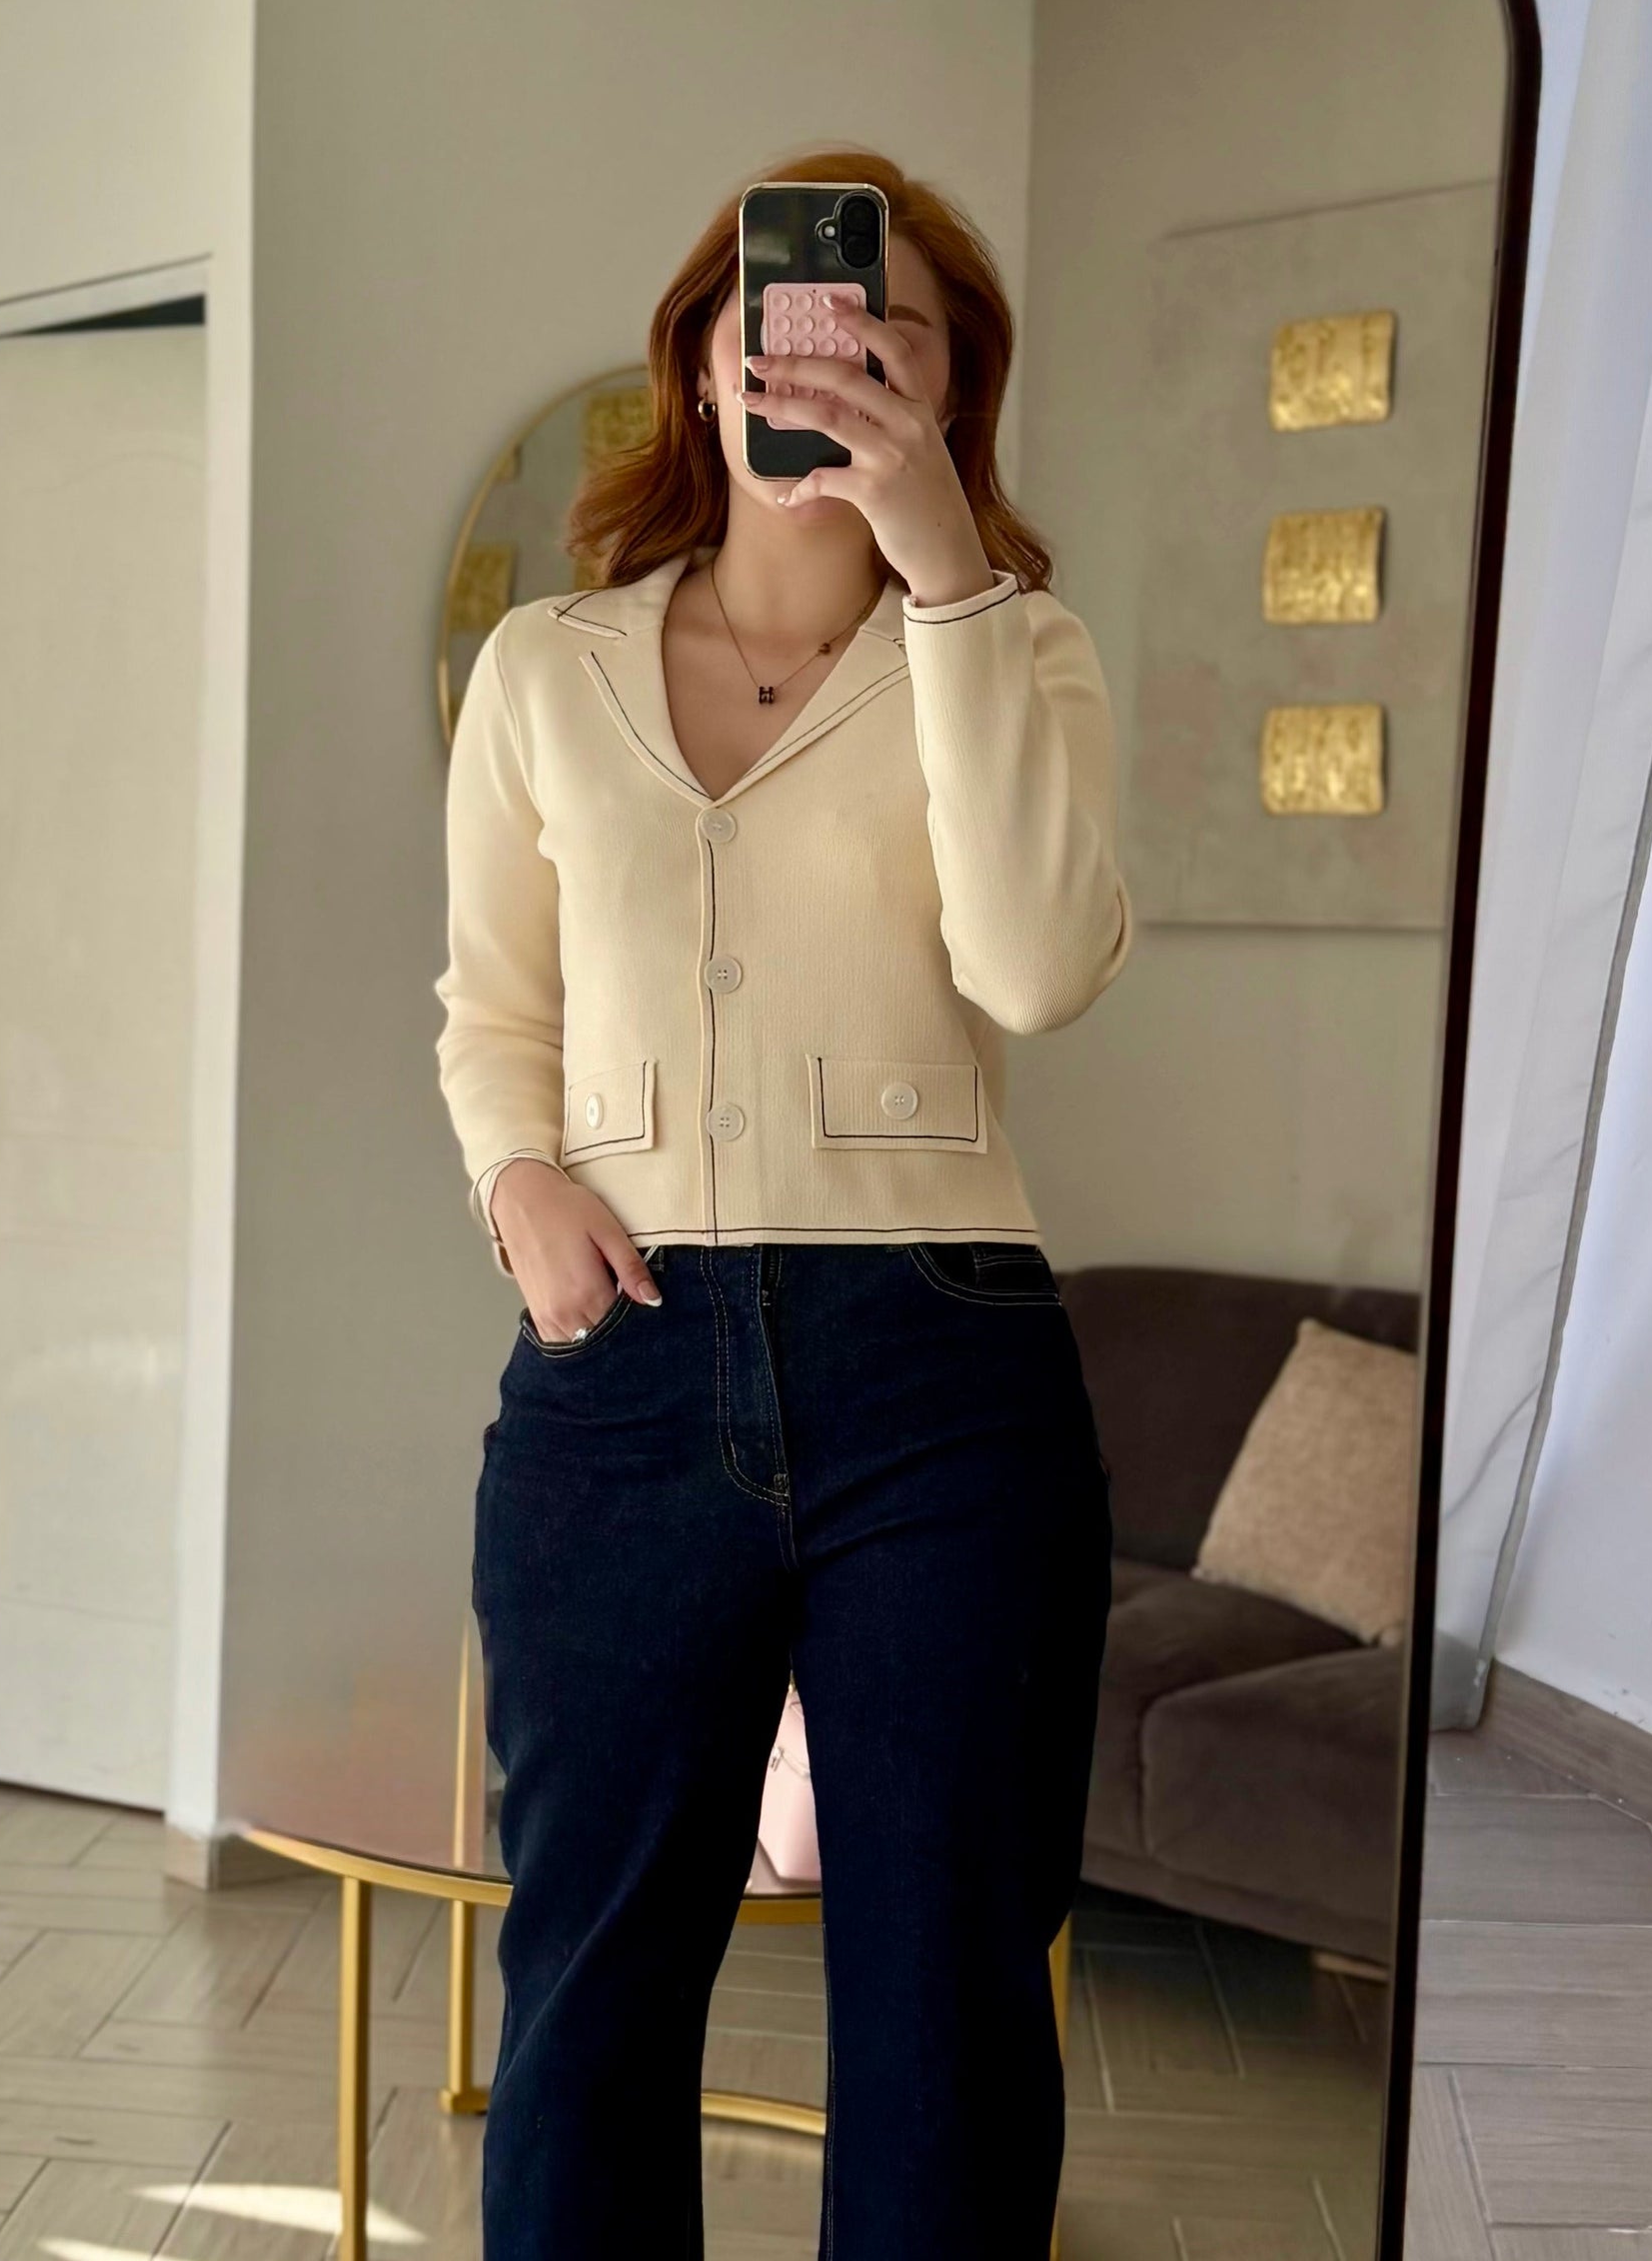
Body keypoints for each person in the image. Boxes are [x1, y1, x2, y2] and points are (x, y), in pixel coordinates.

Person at [436, 147, 1132, 2258]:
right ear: (703, 359)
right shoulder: (542, 668)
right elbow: (492, 1010)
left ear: (948, 386)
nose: (827, 352)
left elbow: (1037, 969)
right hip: (620, 1375)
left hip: (944, 1374)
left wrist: (948, 581)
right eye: (790, 313)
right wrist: (517, 1179)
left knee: (946, 2005)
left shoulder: (1016, 651)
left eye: (884, 327)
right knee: (587, 1992)